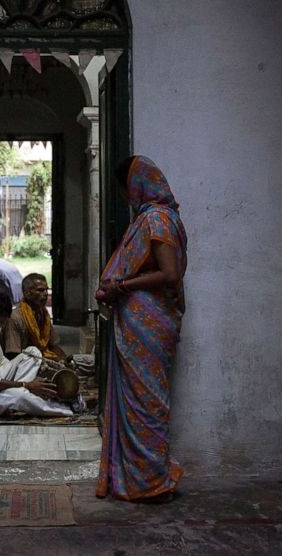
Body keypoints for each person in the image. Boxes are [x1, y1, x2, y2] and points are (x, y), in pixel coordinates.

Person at [95, 155, 188, 501]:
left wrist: (124, 285)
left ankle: (151, 481)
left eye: (126, 189)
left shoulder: (157, 221)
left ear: (136, 186)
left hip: (147, 324)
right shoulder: (165, 219)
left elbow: (169, 274)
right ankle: (140, 478)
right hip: (146, 321)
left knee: (147, 402)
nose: (127, 196)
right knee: (143, 401)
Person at [0, 290, 73, 417]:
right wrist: (26, 385)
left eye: (2, 323)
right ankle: (65, 410)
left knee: (32, 353)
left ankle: (11, 399)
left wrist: (21, 379)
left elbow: (1, 362)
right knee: (19, 396)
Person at [0, 273, 66, 361]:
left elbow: (53, 346)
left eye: (46, 290)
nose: (46, 293)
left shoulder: (44, 315)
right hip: (23, 365)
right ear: (27, 293)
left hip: (41, 360)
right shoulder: (15, 318)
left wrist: (65, 362)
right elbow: (13, 355)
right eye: (40, 290)